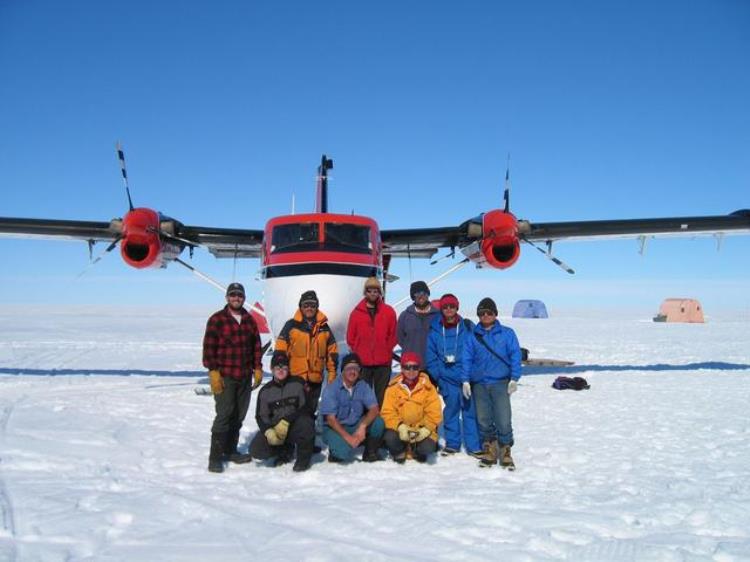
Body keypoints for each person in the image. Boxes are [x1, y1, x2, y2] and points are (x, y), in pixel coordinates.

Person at [202, 282, 263, 473]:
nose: (236, 298)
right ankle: (215, 457)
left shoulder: (249, 320)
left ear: (244, 298)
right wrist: (213, 372)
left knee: (238, 415)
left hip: (244, 376)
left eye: (240, 295)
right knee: (224, 415)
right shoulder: (217, 319)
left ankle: (230, 450)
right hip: (225, 377)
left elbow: (256, 347)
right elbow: (209, 348)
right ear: (227, 297)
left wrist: (258, 368)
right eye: (233, 295)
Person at [461, 297, 522, 469]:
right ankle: (490, 449)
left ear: (495, 314)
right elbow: (467, 358)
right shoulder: (472, 336)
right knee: (484, 419)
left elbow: (515, 356)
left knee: (503, 418)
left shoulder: (507, 333)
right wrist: (465, 380)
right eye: (482, 313)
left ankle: (505, 450)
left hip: (500, 383)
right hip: (479, 383)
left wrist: (515, 378)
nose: (486, 315)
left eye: (489, 312)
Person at [425, 294, 481, 457]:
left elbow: (476, 352)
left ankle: (473, 445)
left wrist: (472, 376)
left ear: (457, 308)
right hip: (447, 380)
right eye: (445, 307)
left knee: (470, 412)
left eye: (452, 306)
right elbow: (431, 357)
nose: (449, 310)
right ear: (441, 309)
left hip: (466, 379)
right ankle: (453, 443)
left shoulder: (467, 328)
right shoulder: (435, 331)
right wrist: (439, 377)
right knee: (451, 412)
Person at [275, 290, 338, 416]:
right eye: (306, 305)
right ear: (301, 307)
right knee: (292, 412)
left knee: (310, 412)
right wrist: (280, 373)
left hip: (315, 380)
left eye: (312, 305)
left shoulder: (324, 328)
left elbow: (332, 353)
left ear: (317, 307)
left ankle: (308, 434)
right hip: (295, 379)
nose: (309, 308)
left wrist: (332, 374)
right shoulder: (291, 325)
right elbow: (280, 350)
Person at [249, 352, 315, 472]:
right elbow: (260, 416)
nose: (281, 370)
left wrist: (287, 420)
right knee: (256, 450)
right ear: (272, 369)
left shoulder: (299, 383)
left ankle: (303, 460)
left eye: (284, 367)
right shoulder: (265, 391)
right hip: (276, 429)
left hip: (294, 426)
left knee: (307, 424)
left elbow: (307, 407)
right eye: (277, 367)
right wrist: (268, 430)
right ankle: (283, 449)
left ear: (288, 368)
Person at [319, 353, 385, 463]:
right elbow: (330, 420)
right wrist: (348, 438)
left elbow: (374, 409)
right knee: (342, 453)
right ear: (343, 370)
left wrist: (362, 427)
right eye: (349, 368)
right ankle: (335, 450)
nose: (352, 372)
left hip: (355, 424)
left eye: (356, 368)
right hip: (335, 427)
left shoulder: (363, 385)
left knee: (378, 422)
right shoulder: (331, 389)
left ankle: (370, 452)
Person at [381, 352, 442, 463]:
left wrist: (426, 429)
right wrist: (400, 426)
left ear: (419, 369)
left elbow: (435, 412)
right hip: (401, 430)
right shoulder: (392, 388)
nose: (411, 371)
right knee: (389, 437)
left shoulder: (428, 387)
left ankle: (417, 451)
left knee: (428, 447)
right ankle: (400, 451)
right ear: (402, 368)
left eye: (415, 367)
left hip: (420, 429)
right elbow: (387, 412)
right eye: (407, 367)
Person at [346, 277, 397, 408]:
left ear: (380, 293)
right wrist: (358, 352)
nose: (373, 293)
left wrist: (386, 349)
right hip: (363, 364)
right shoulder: (356, 313)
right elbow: (350, 337)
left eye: (376, 291)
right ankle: (365, 425)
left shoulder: (388, 311)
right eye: (370, 290)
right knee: (363, 397)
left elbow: (394, 334)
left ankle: (380, 424)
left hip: (383, 363)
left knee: (382, 397)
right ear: (365, 292)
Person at [397, 280, 440, 364]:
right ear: (413, 296)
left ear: (428, 294)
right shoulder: (405, 316)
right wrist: (410, 349)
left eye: (423, 293)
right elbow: (400, 339)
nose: (421, 296)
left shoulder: (438, 316)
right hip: (411, 367)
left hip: (434, 365)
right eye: (417, 293)